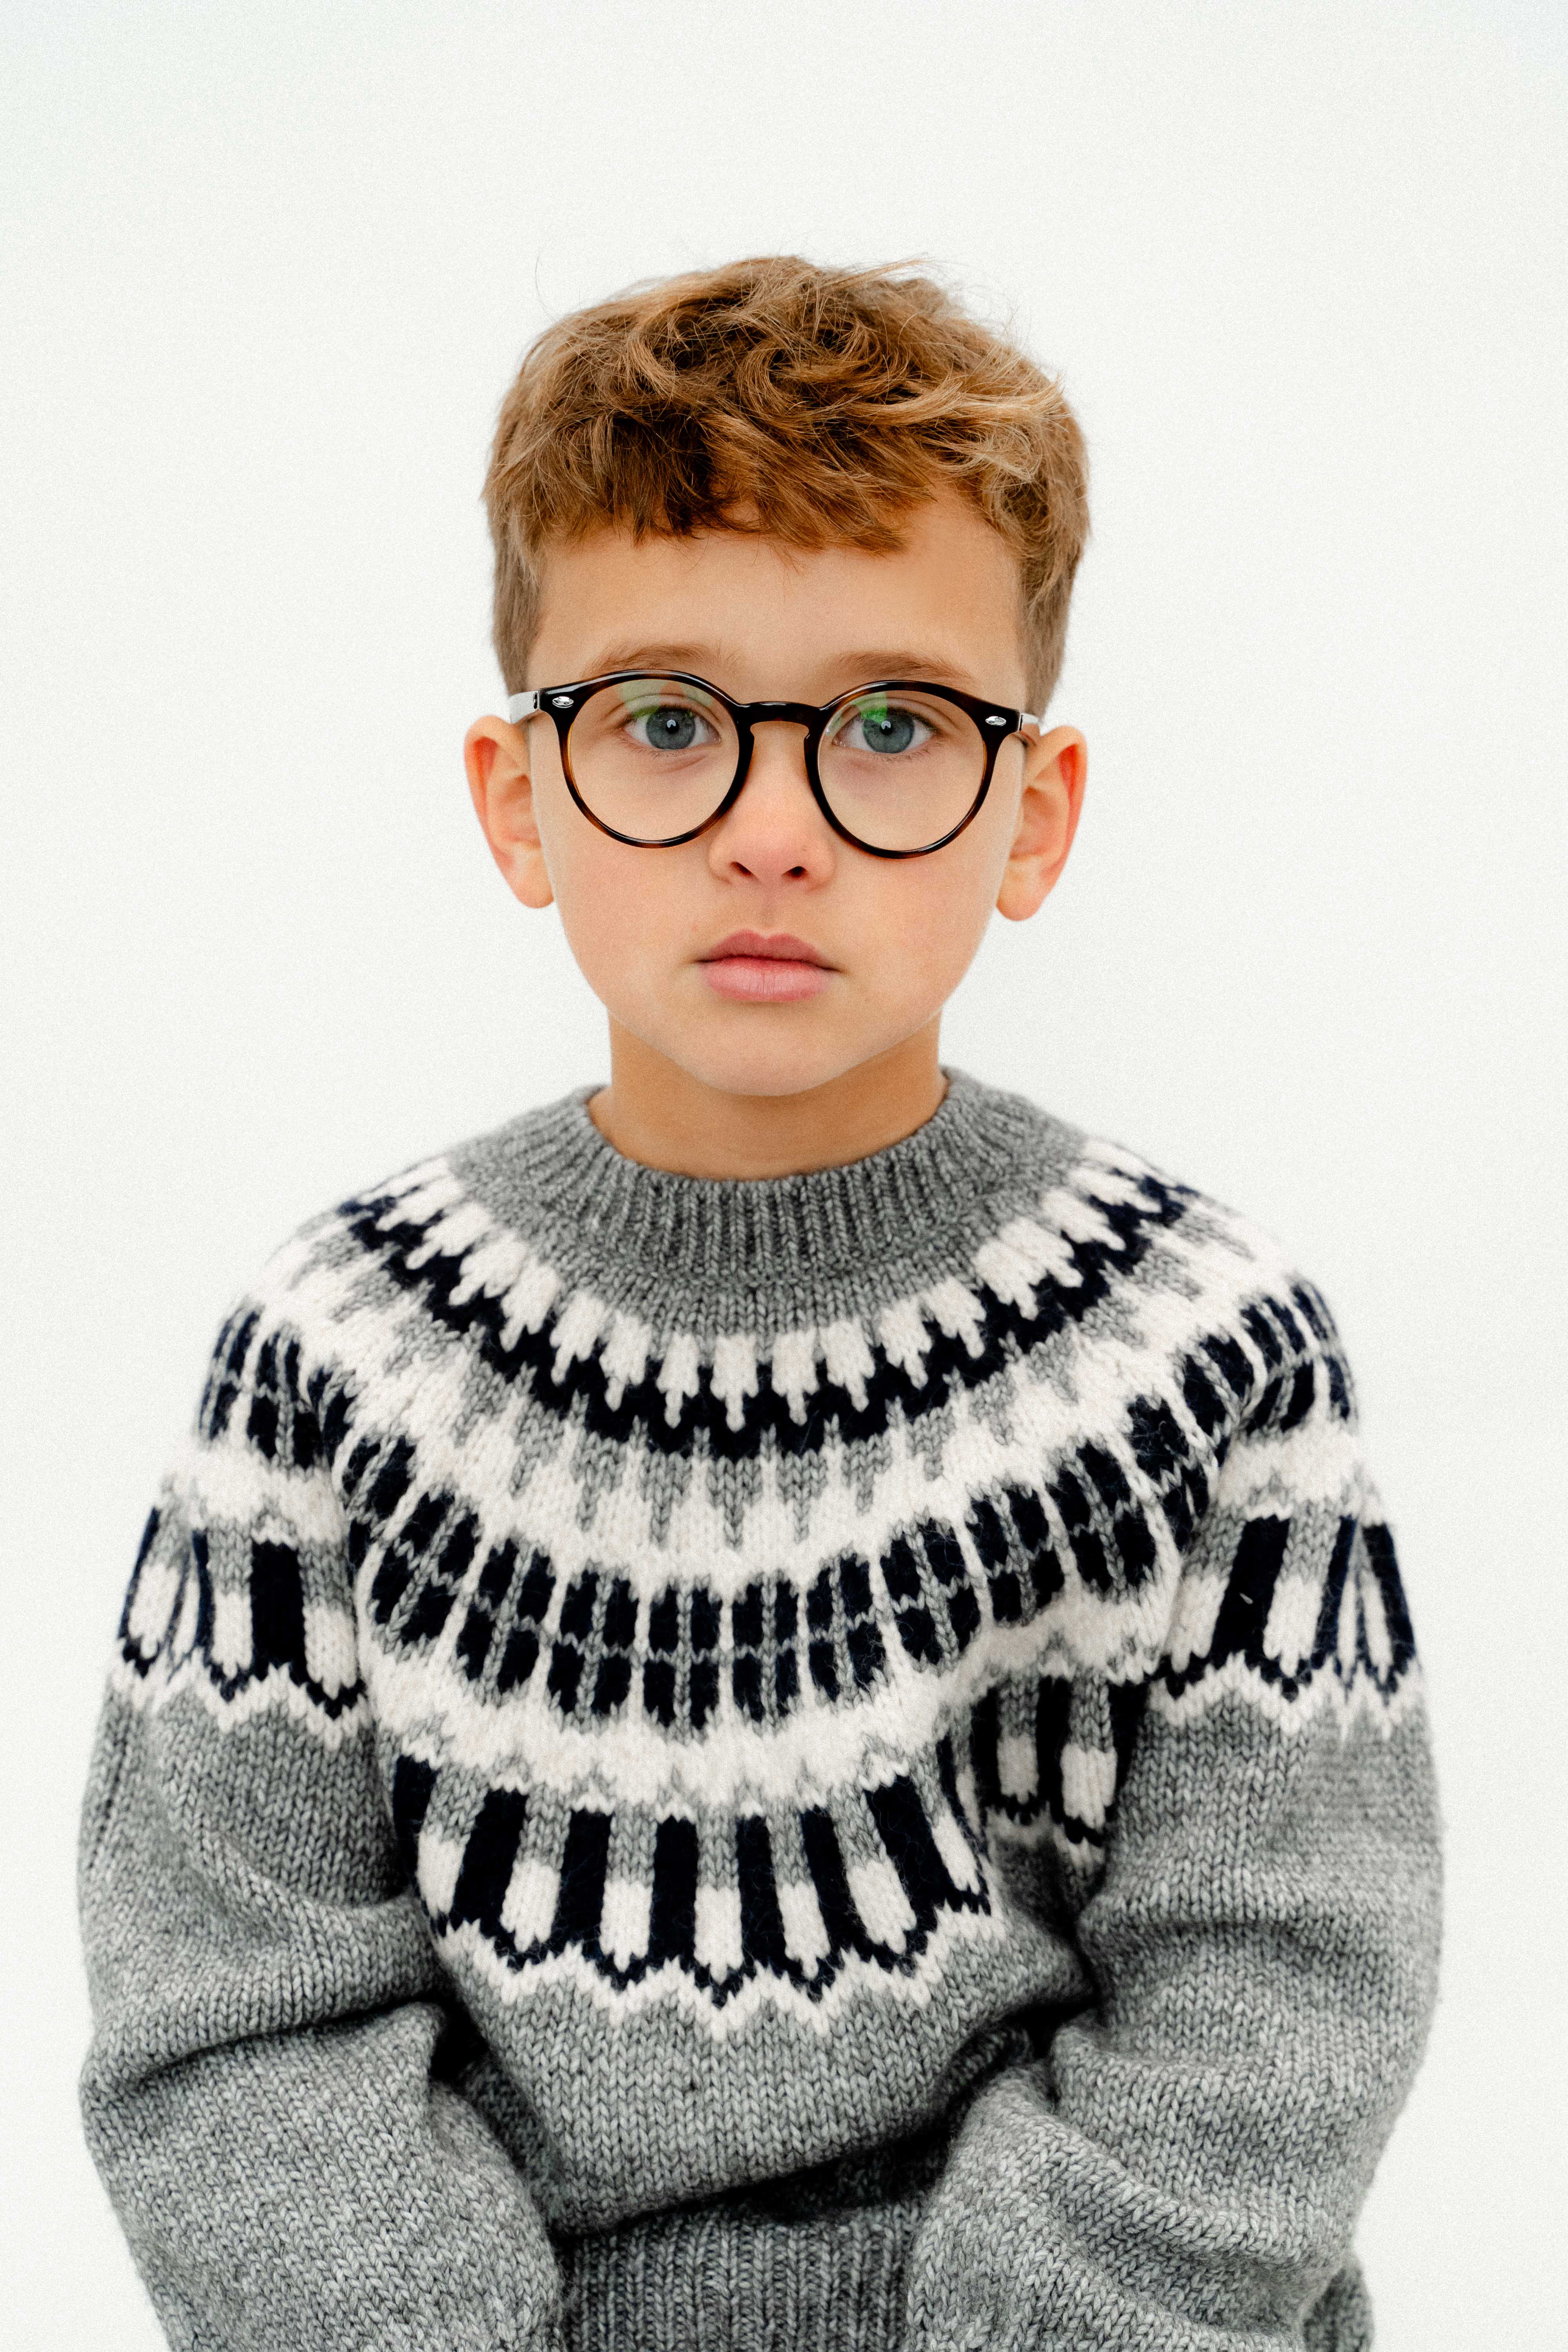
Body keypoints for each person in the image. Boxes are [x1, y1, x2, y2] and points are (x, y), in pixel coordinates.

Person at [77, 256, 1441, 2352]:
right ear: (519, 801)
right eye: (665, 722)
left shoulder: (1208, 1351)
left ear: (1034, 816)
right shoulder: (334, 1359)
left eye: (893, 726)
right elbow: (236, 2022)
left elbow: (1281, 1998)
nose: (775, 833)